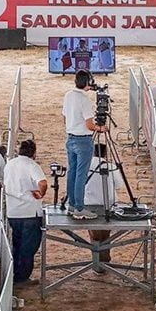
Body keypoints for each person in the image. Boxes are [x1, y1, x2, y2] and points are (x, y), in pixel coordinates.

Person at [3, 139, 47, 284]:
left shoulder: (10, 164)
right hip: (30, 212)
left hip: (13, 211)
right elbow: (43, 183)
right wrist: (41, 193)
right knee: (29, 247)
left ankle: (15, 273)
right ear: (33, 153)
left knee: (17, 243)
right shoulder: (32, 165)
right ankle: (22, 277)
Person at [62, 70, 100, 220]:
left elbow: (64, 116)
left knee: (72, 172)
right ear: (87, 83)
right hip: (83, 139)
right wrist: (100, 128)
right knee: (80, 175)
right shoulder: (84, 100)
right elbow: (90, 125)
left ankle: (72, 204)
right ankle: (79, 207)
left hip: (71, 138)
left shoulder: (68, 95)